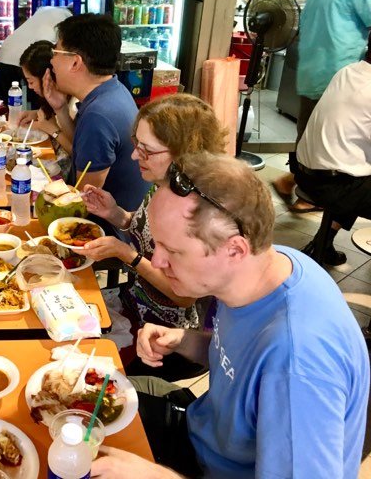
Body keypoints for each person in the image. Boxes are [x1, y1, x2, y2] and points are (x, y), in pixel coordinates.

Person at [90, 152, 369, 478]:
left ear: (234, 250)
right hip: (198, 431)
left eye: (174, 251)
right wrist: (183, 340)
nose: (159, 262)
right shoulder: (270, 265)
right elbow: (239, 358)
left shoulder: (298, 364)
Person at [75, 94, 227, 379]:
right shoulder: (165, 185)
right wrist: (114, 213)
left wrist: (126, 254)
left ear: (183, 153)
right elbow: (144, 228)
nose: (134, 156)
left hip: (165, 338)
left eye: (146, 150)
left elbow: (183, 297)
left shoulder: (196, 210)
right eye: (136, 145)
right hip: (133, 305)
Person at [272, 0, 371, 215]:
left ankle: (290, 181)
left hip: (312, 71)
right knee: (332, 147)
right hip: (341, 76)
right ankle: (307, 195)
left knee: (311, 137)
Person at [47, 13, 149, 220]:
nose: (51, 60)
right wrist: (60, 109)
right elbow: (82, 147)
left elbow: (83, 200)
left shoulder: (99, 115)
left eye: (55, 51)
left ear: (75, 63)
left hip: (108, 232)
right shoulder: (112, 90)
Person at [295, 39, 371, 262]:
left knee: (357, 171)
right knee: (357, 181)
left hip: (305, 173)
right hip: (333, 186)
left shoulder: (348, 71)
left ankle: (322, 242)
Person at [18, 40, 75, 181]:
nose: (30, 87)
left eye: (31, 82)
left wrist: (53, 130)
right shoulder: (59, 98)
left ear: (46, 77)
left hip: (65, 177)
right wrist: (35, 114)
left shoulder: (74, 103)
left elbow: (77, 151)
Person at [0, 6, 71, 106]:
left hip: (5, 53)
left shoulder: (46, 10)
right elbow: (46, 50)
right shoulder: (66, 19)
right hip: (25, 58)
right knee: (33, 96)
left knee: (12, 100)